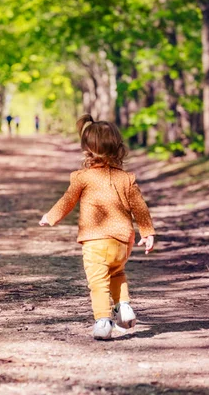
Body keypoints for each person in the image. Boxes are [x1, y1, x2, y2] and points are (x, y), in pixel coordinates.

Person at [39, 114, 155, 340]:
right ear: (118, 147)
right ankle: (124, 307)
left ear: (87, 149)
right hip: (123, 241)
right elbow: (139, 207)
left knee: (98, 282)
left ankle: (103, 320)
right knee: (117, 272)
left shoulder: (82, 177)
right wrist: (147, 232)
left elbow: (67, 201)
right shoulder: (126, 178)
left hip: (95, 241)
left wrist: (50, 216)